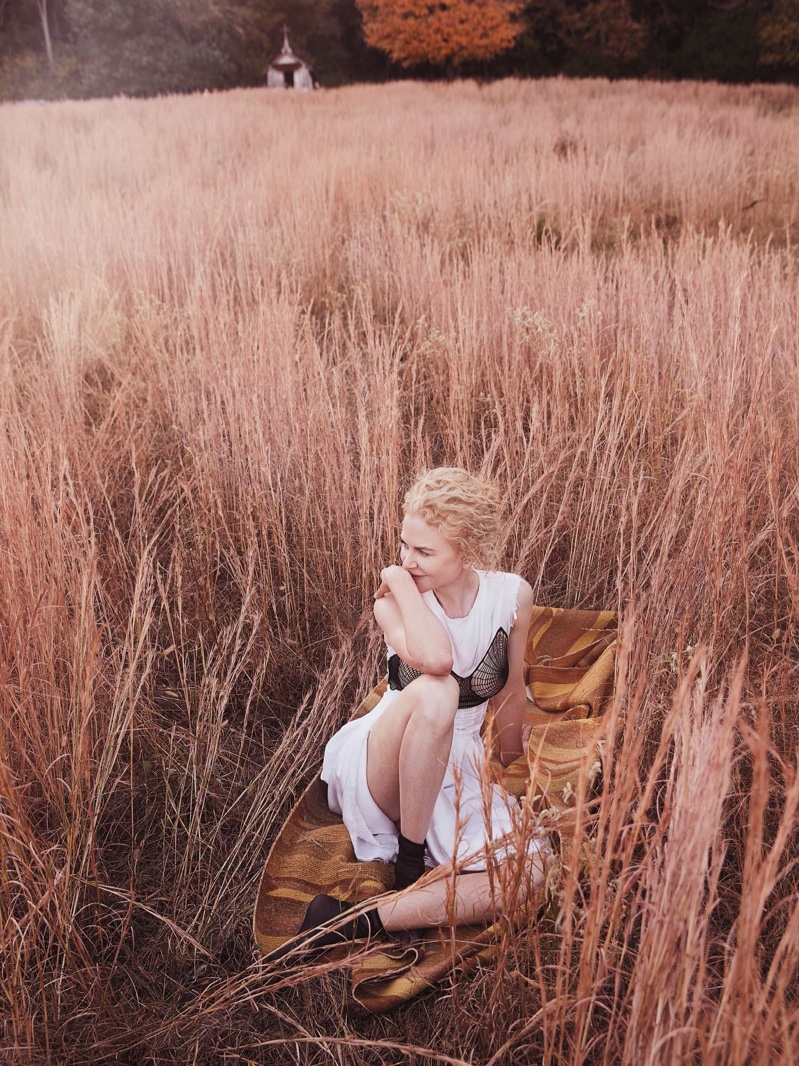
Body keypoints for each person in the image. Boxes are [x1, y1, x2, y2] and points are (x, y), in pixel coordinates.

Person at [275, 467, 550, 958]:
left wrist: (511, 765)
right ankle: (409, 863)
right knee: (438, 691)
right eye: (404, 545)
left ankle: (356, 919)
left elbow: (510, 688)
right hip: (386, 758)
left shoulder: (511, 596)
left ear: (467, 551)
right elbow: (437, 661)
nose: (407, 560)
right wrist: (396, 581)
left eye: (424, 552)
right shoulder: (396, 602)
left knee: (530, 878)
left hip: (455, 764)